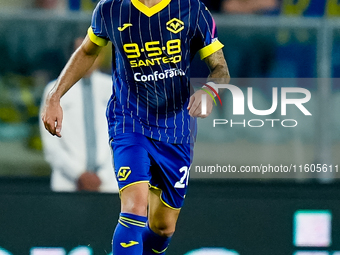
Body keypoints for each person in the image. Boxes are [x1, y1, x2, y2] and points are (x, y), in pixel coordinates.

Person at [41, 0, 229, 254]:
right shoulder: (110, 9)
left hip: (176, 129)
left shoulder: (192, 9)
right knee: (134, 207)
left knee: (163, 227)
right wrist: (55, 96)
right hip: (130, 122)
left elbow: (220, 69)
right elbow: (87, 51)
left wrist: (210, 91)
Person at [40, 37, 118, 193]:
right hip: (68, 183)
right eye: (82, 53)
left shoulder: (114, 87)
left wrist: (102, 175)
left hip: (109, 182)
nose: (88, 58)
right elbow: (51, 144)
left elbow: (125, 135)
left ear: (100, 57)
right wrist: (77, 174)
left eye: (93, 53)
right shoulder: (54, 90)